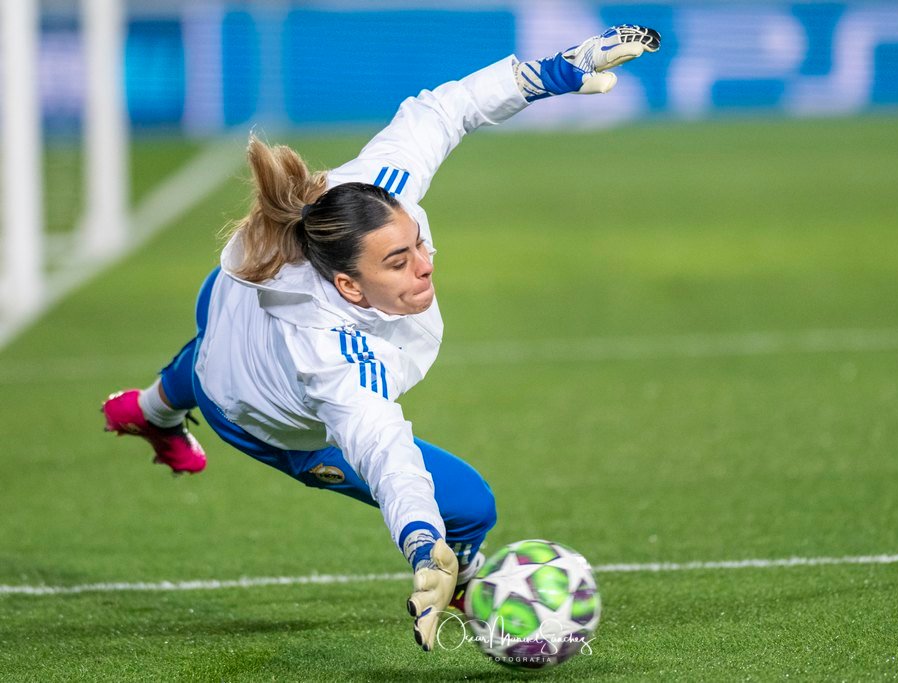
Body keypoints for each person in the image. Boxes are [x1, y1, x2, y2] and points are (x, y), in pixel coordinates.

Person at [102, 25, 660, 652]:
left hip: (225, 305)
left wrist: (551, 72)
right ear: (349, 287)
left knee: (209, 352)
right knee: (471, 506)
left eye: (417, 243)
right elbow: (381, 446)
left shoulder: (374, 196)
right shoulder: (334, 357)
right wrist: (424, 544)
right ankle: (465, 584)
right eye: (398, 262)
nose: (425, 265)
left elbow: (442, 111)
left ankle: (146, 411)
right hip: (257, 416)